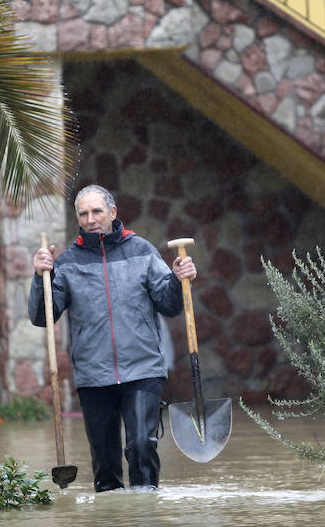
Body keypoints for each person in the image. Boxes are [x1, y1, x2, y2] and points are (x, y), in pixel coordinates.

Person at [28, 184, 197, 492]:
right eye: (84, 213)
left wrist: (178, 278)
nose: (91, 219)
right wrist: (41, 278)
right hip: (94, 375)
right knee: (105, 465)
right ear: (78, 218)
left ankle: (145, 515)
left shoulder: (142, 251)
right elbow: (42, 316)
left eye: (97, 211)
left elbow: (170, 305)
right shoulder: (66, 262)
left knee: (141, 448)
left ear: (113, 212)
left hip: (142, 370)